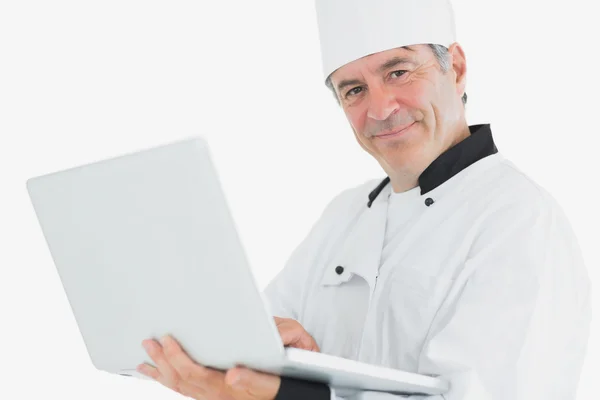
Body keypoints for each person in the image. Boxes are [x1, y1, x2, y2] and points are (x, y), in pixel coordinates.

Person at [136, 0, 591, 399]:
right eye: (353, 89)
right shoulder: (345, 215)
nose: (380, 108)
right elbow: (255, 340)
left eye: (398, 71)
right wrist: (262, 356)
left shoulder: (520, 220)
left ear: (455, 68)